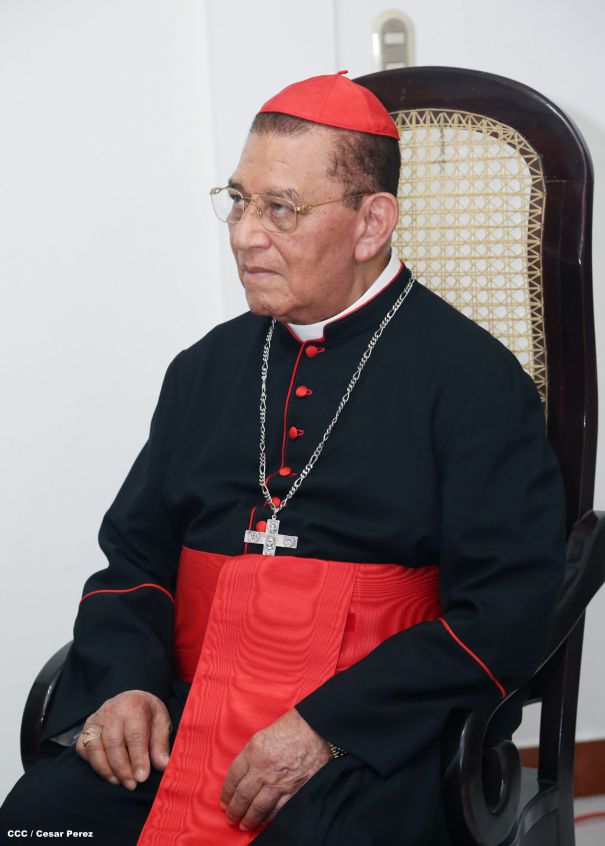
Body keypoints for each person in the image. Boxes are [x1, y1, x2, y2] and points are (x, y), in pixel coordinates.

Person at [1, 71, 565, 845]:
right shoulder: (204, 369)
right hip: (187, 710)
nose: (242, 234)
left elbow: (506, 609)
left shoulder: (473, 383)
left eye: (279, 209)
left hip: (362, 740)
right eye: (237, 199)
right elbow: (133, 560)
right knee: (38, 823)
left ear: (371, 224)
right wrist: (126, 686)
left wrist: (327, 725)